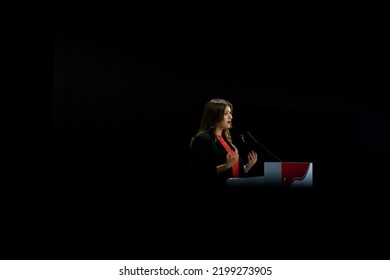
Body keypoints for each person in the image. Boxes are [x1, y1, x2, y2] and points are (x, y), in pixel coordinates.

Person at [189, 98, 258, 189]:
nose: (231, 117)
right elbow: (199, 173)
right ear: (215, 116)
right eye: (226, 113)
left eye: (230, 113)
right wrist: (225, 166)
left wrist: (245, 168)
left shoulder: (226, 140)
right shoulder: (202, 139)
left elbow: (231, 170)